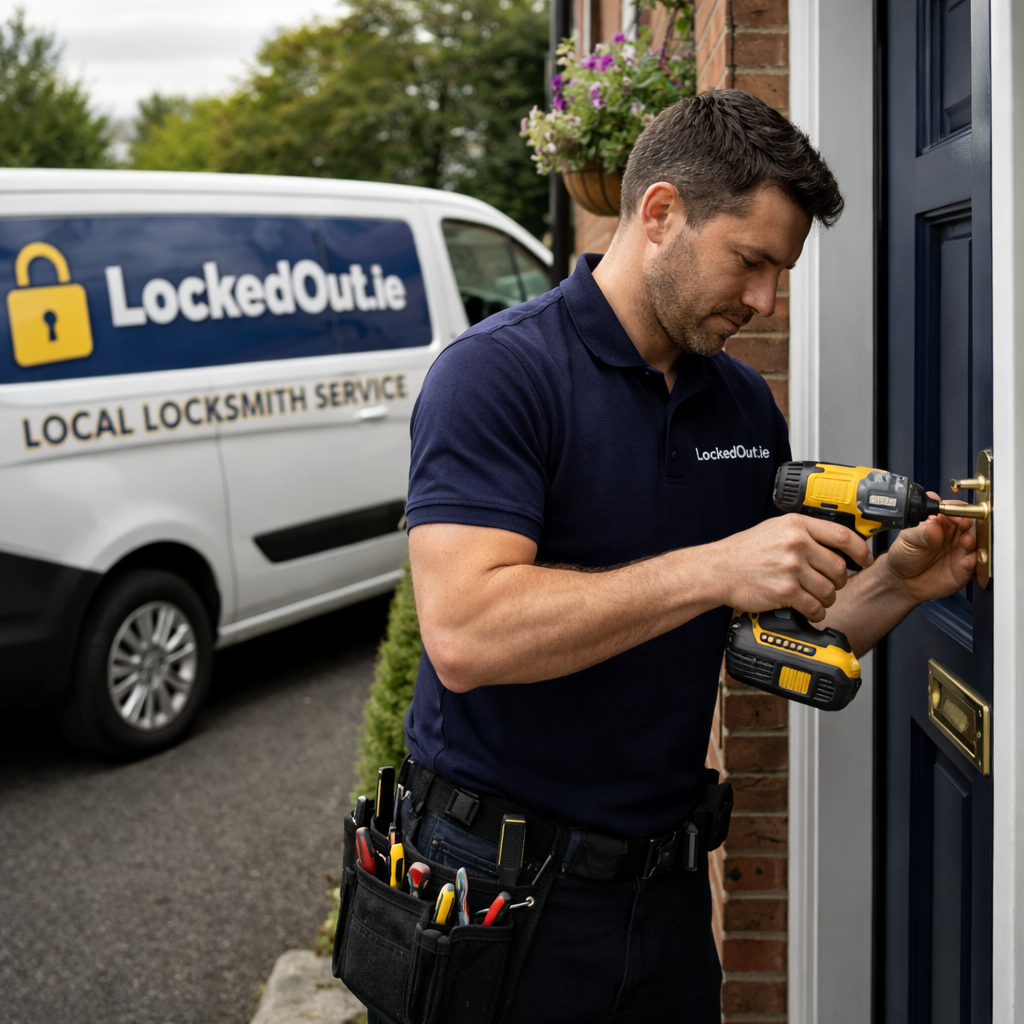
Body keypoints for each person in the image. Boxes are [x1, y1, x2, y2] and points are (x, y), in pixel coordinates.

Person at [372, 91, 976, 1023]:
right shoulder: (498, 375)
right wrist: (714, 566)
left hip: (664, 895)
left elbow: (764, 641)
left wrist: (900, 582)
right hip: (495, 896)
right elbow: (465, 632)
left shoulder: (741, 405)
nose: (766, 302)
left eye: (780, 275)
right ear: (660, 214)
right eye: (751, 262)